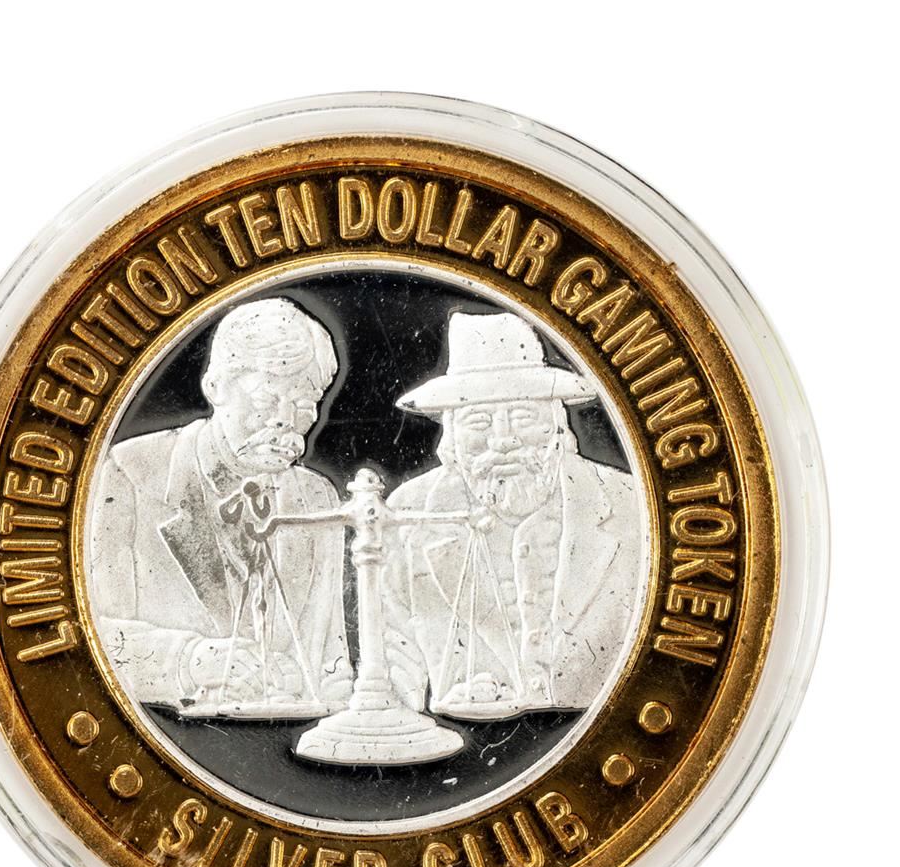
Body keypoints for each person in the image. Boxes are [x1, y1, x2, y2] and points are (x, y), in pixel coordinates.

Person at [89, 297, 351, 715]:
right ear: (215, 387)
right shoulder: (131, 473)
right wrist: (189, 660)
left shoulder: (316, 497)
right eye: (265, 401)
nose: (285, 420)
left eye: (304, 407)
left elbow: (330, 661)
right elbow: (90, 632)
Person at [383, 310, 640, 715]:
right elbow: (394, 653)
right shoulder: (409, 514)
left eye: (522, 416)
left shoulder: (627, 504)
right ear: (451, 436)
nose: (502, 440)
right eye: (478, 421)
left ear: (558, 425)